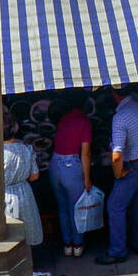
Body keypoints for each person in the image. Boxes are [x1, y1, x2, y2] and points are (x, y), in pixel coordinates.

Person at [95, 87, 138, 265]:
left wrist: (118, 172)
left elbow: (117, 154)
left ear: (114, 94)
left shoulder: (120, 117)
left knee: (115, 205)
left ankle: (117, 251)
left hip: (134, 165)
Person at [50, 95, 94, 258]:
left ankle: (67, 245)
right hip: (72, 166)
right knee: (76, 210)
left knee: (62, 208)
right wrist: (87, 178)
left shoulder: (63, 120)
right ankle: (77, 245)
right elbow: (85, 153)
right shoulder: (84, 122)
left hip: (55, 164)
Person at [3, 124, 43, 249]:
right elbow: (34, 176)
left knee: (9, 235)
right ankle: (27, 262)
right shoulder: (27, 148)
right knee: (27, 231)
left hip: (4, 194)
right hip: (24, 192)